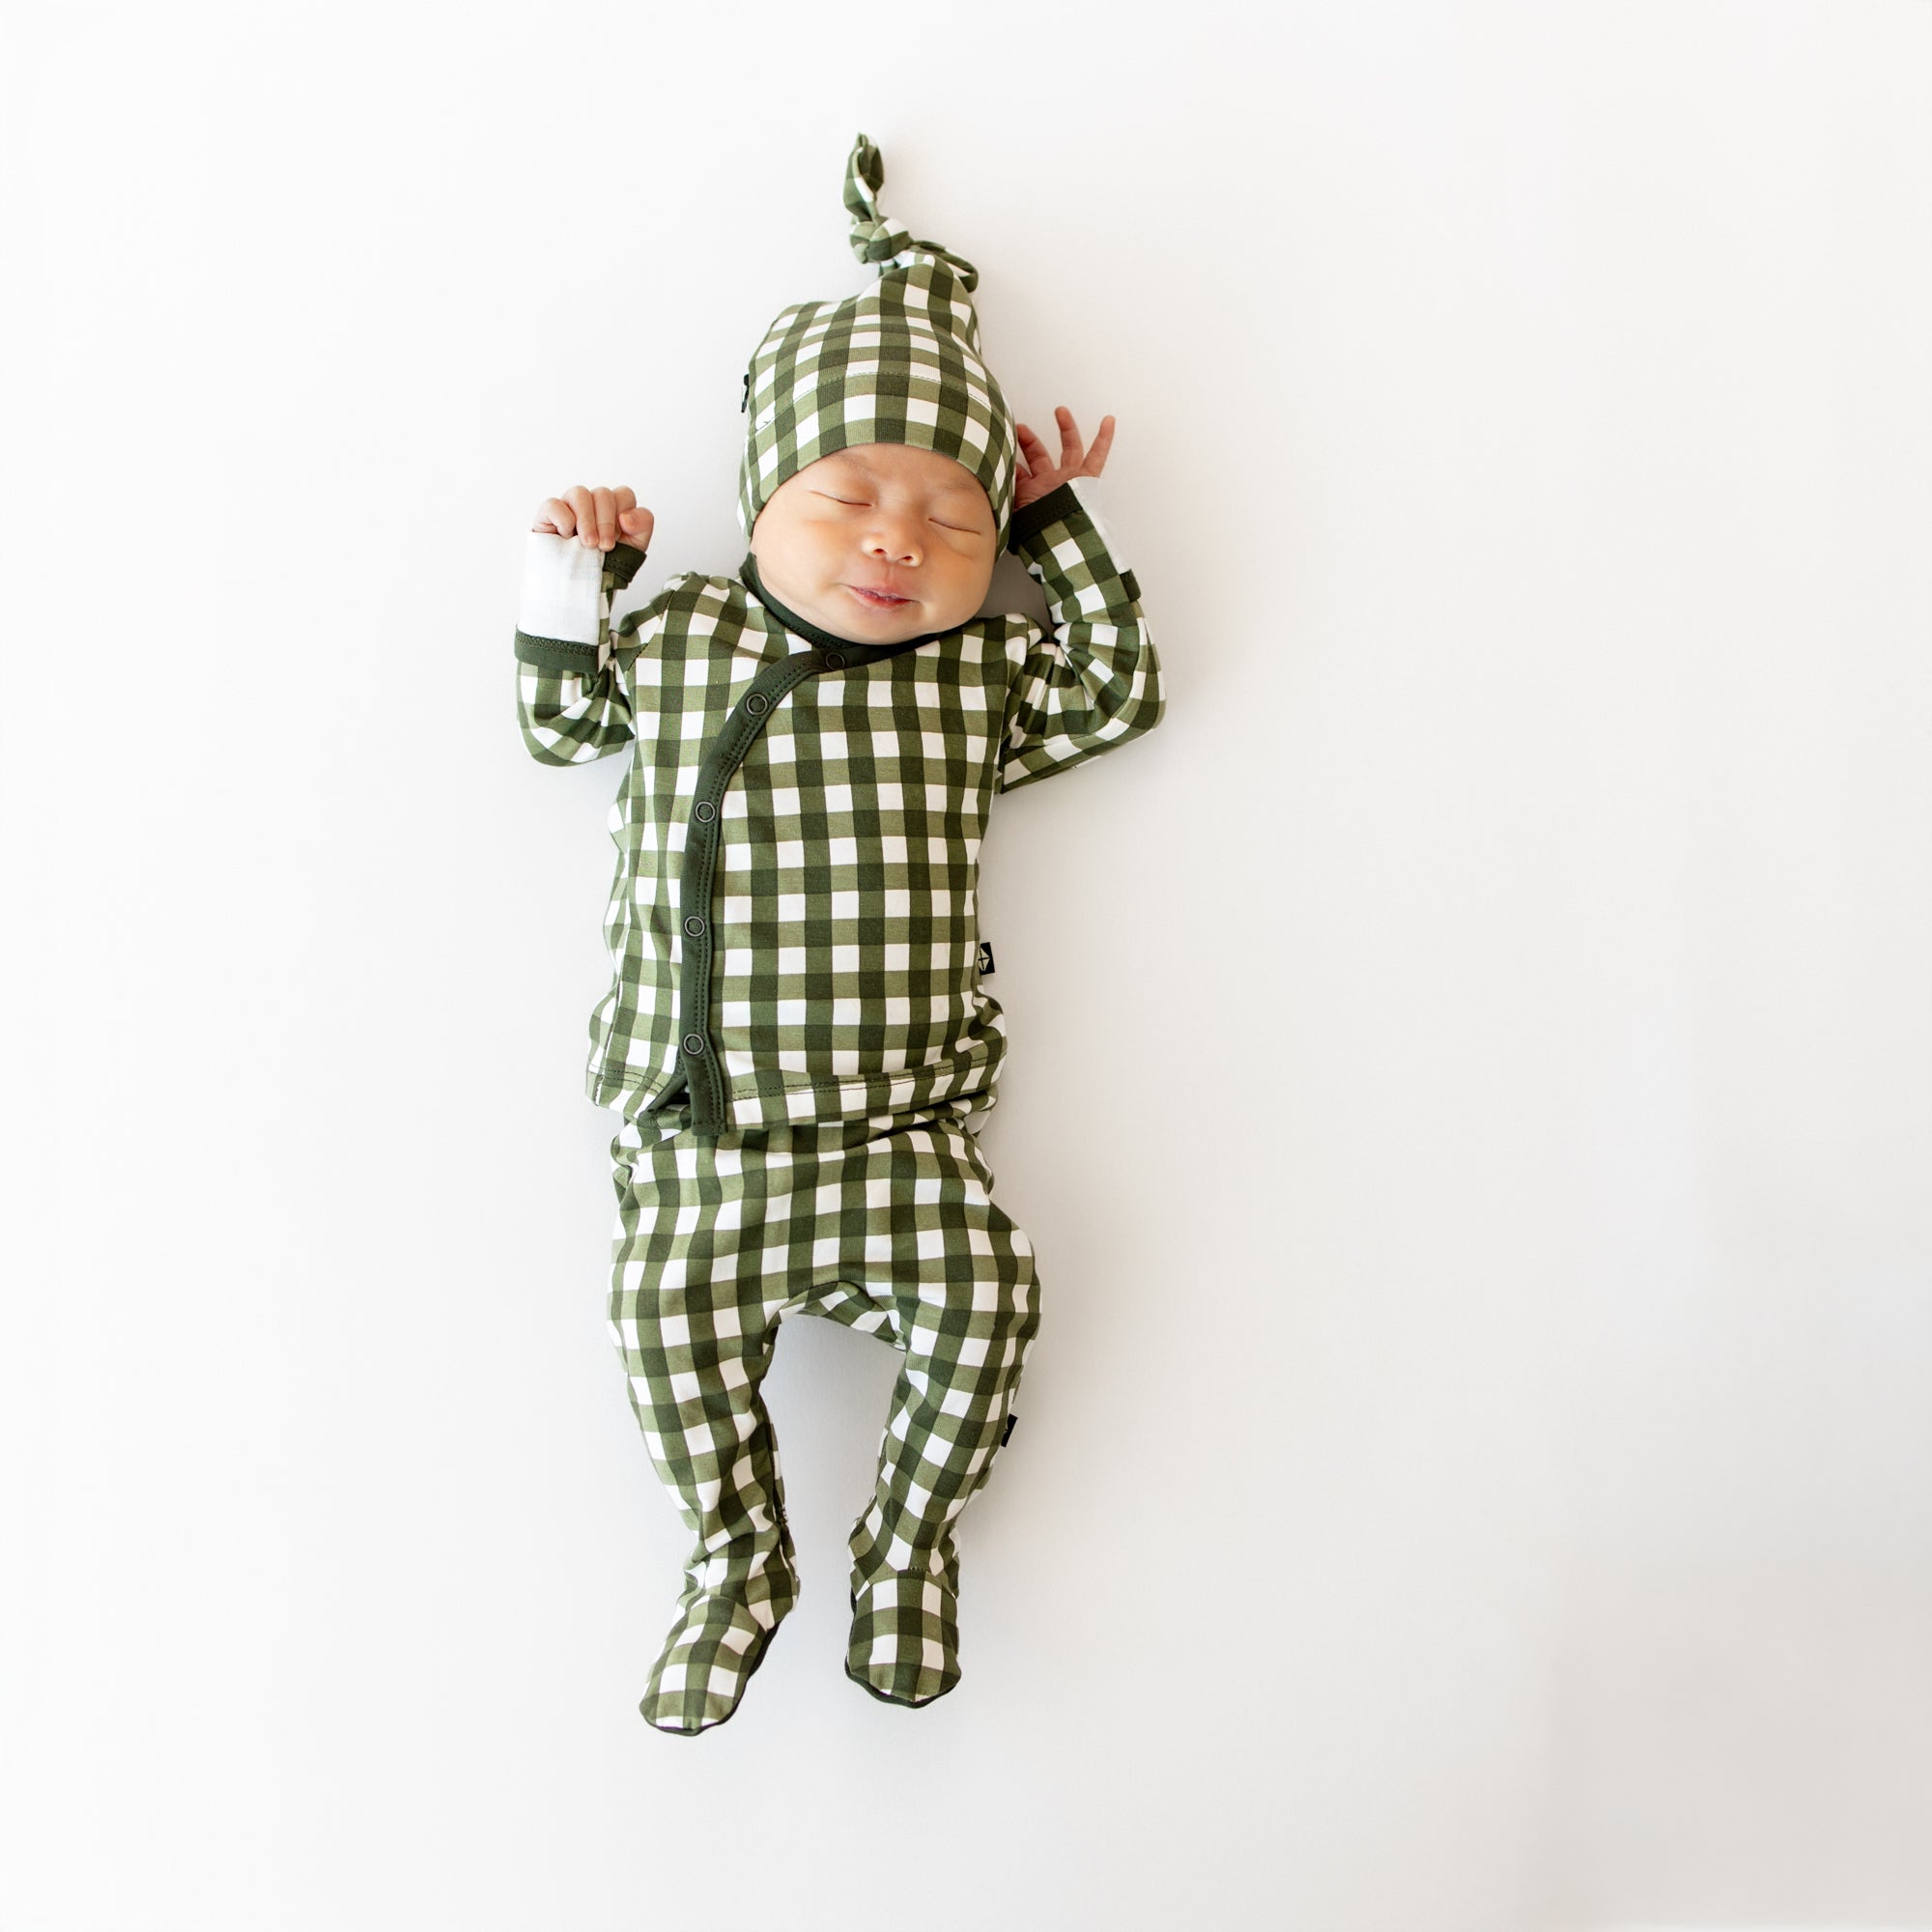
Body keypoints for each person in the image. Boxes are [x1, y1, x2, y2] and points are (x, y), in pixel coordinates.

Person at [511, 132, 1164, 1734]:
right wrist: (570, 576)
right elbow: (551, 722)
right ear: (764, 500)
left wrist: (1058, 524)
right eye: (853, 496)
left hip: (897, 1139)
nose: (898, 540)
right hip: (706, 1134)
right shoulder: (679, 637)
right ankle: (737, 1559)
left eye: (951, 519)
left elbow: (1120, 692)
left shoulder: (974, 677)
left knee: (990, 1295)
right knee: (665, 1331)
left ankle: (904, 1543)